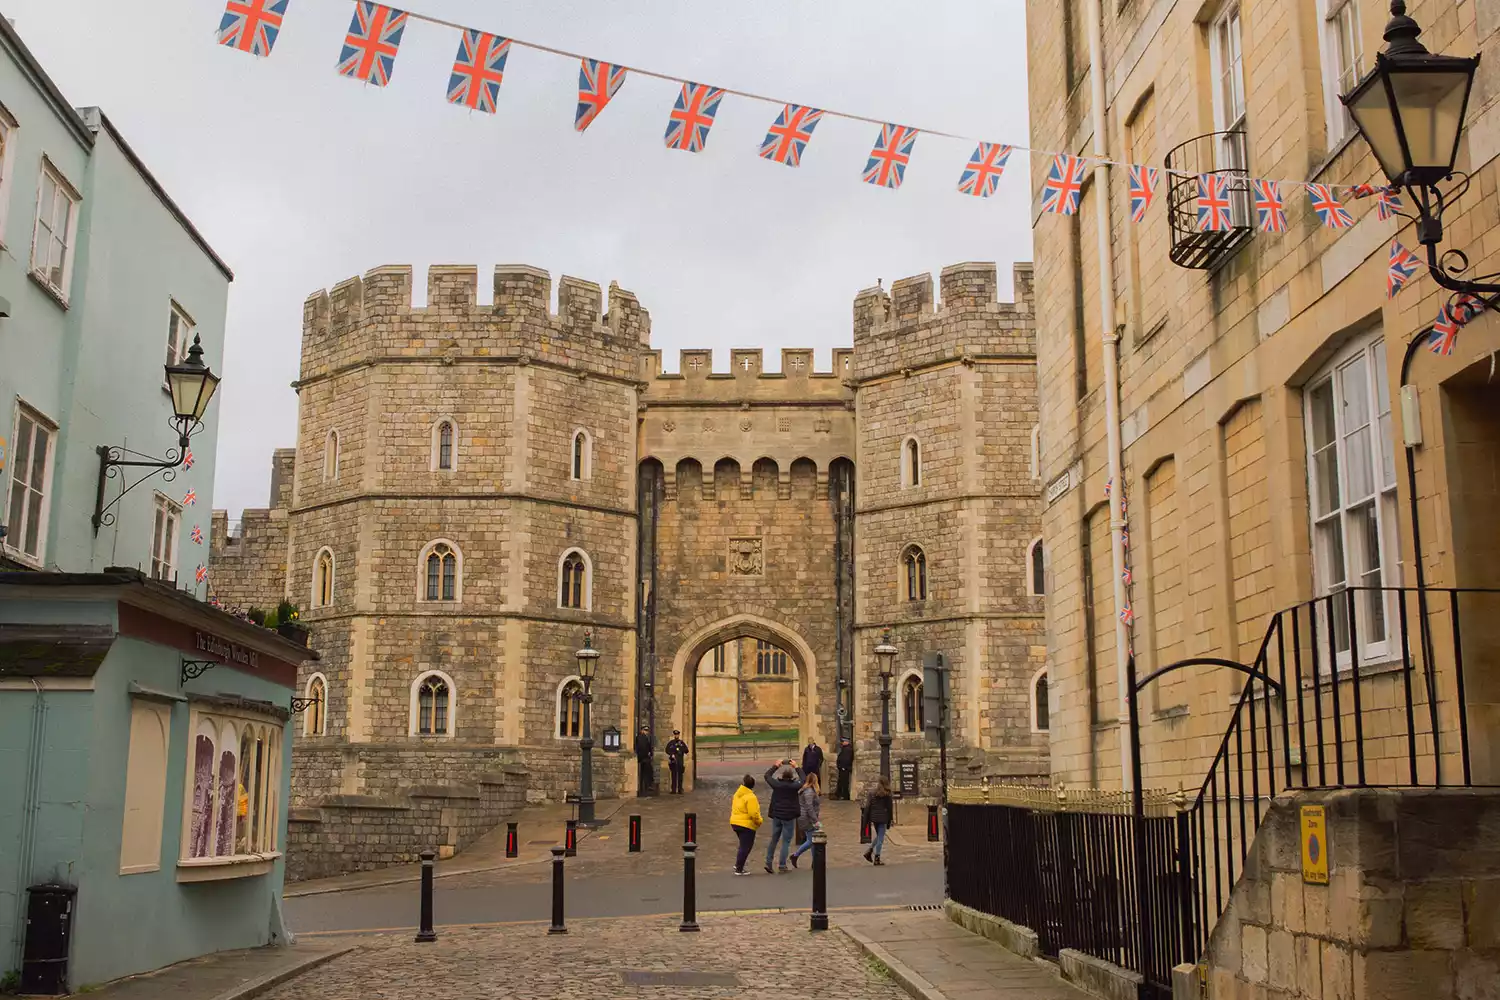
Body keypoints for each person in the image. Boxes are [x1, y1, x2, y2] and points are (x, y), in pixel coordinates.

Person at [762, 759, 804, 873]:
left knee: (774, 839)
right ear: (791, 777)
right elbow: (803, 779)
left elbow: (767, 776)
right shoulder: (794, 786)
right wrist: (797, 767)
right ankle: (782, 864)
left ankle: (768, 862)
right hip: (789, 817)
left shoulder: (777, 784)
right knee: (786, 841)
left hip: (777, 815)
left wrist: (775, 766)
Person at [730, 774, 763, 875]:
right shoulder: (751, 797)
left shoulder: (737, 794)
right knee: (746, 846)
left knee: (743, 845)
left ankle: (738, 864)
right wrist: (759, 821)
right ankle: (739, 868)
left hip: (735, 822)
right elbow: (753, 813)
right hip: (746, 825)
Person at [788, 771, 822, 869]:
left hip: (805, 818)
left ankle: (814, 862)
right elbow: (809, 807)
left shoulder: (807, 790)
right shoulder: (809, 792)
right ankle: (795, 855)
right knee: (812, 841)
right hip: (807, 819)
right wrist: (815, 820)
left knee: (811, 840)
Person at [863, 776, 894, 866]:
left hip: (874, 818)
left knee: (879, 836)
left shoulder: (872, 793)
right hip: (883, 818)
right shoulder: (887, 794)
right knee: (880, 838)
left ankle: (869, 851)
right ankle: (877, 857)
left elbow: (868, 807)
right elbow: (889, 808)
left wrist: (866, 820)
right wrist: (890, 820)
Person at [665, 730, 689, 794]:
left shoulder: (681, 743)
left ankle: (680, 789)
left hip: (680, 761)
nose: (676, 736)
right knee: (674, 776)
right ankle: (673, 789)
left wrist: (681, 749)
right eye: (675, 735)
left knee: (680, 776)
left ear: (679, 735)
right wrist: (671, 754)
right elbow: (667, 750)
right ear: (674, 735)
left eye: (677, 735)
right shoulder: (671, 743)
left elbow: (686, 750)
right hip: (673, 762)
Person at [633, 725, 655, 796]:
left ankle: (646, 787)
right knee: (646, 773)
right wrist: (647, 754)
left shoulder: (645, 737)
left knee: (646, 773)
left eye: (647, 731)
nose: (646, 732)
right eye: (645, 730)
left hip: (645, 758)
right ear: (642, 730)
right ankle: (646, 787)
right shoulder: (641, 737)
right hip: (644, 758)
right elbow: (642, 748)